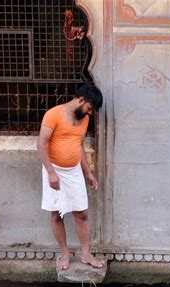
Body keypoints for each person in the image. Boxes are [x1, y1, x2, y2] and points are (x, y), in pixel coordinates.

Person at [37, 82, 104, 270]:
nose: (90, 113)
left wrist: (88, 173)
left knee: (81, 214)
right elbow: (41, 144)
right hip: (54, 170)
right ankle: (65, 254)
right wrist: (51, 172)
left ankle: (86, 254)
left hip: (74, 171)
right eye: (89, 108)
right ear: (81, 100)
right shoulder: (53, 114)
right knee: (57, 214)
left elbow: (78, 145)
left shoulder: (84, 119)